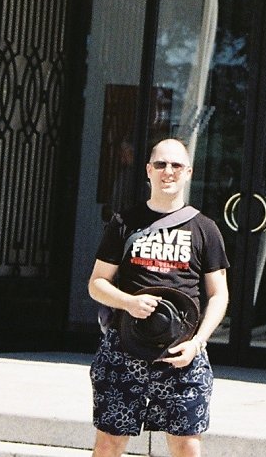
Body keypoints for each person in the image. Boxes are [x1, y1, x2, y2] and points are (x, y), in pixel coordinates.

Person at [87, 138, 229, 457]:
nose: (169, 172)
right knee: (109, 442)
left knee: (186, 446)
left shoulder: (205, 229)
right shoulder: (124, 223)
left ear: (188, 172)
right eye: (161, 165)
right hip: (124, 349)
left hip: (183, 354)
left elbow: (219, 294)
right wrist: (128, 302)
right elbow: (97, 283)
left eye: (176, 165)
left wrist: (198, 342)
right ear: (148, 170)